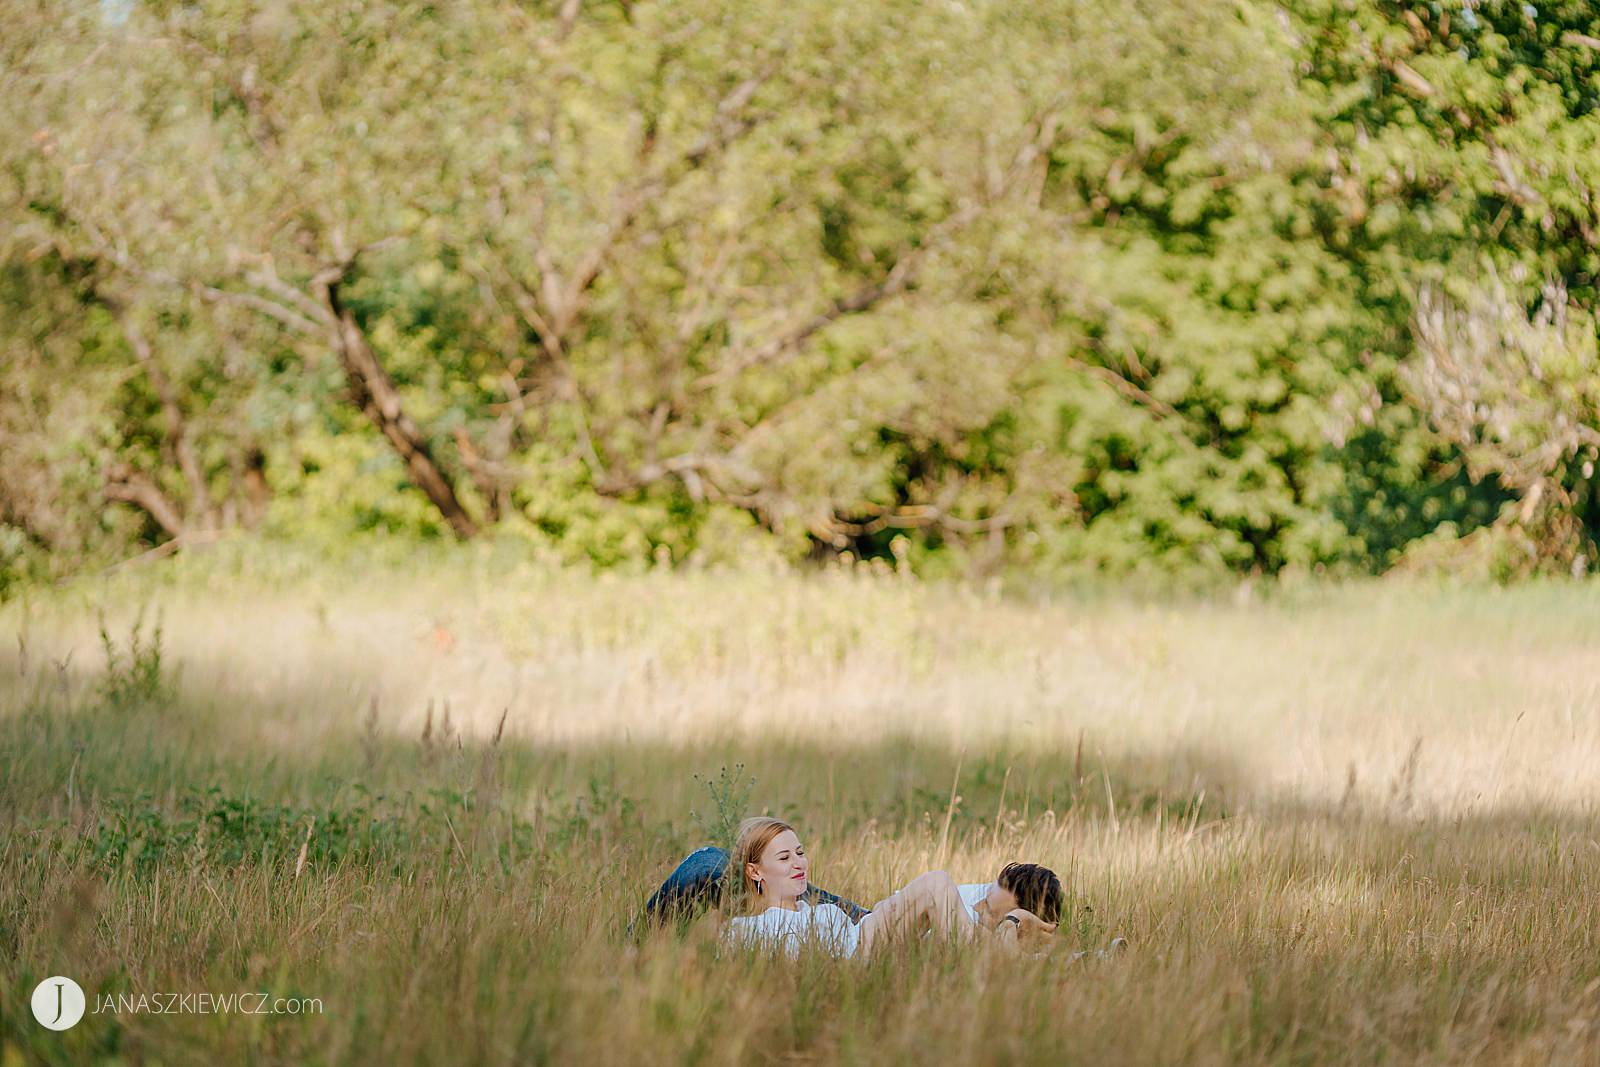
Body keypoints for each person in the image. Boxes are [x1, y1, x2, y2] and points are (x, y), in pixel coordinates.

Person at [721, 817, 1057, 959]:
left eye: (800, 852)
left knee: (941, 903)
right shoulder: (748, 930)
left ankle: (1032, 954)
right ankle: (999, 958)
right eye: (783, 857)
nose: (798, 863)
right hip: (858, 950)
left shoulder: (817, 910)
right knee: (936, 883)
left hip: (867, 935)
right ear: (755, 872)